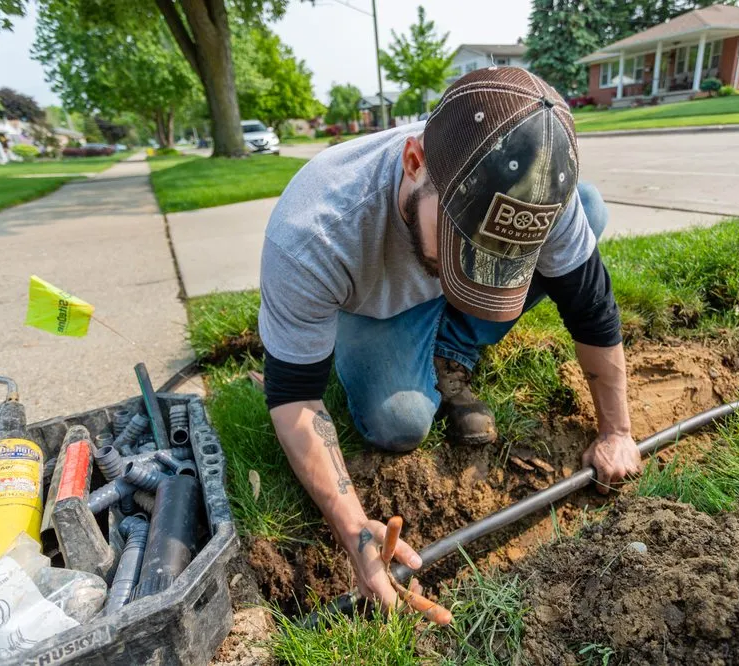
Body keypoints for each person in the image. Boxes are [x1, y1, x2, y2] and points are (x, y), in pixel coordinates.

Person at [259, 67, 642, 612]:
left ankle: (450, 349)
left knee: (592, 204)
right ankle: (378, 341)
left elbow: (593, 313)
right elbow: (294, 397)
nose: (470, 271)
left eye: (495, 261)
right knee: (399, 423)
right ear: (414, 162)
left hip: (435, 257)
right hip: (375, 305)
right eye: (464, 243)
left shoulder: (537, 190)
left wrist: (618, 431)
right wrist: (352, 529)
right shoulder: (314, 235)